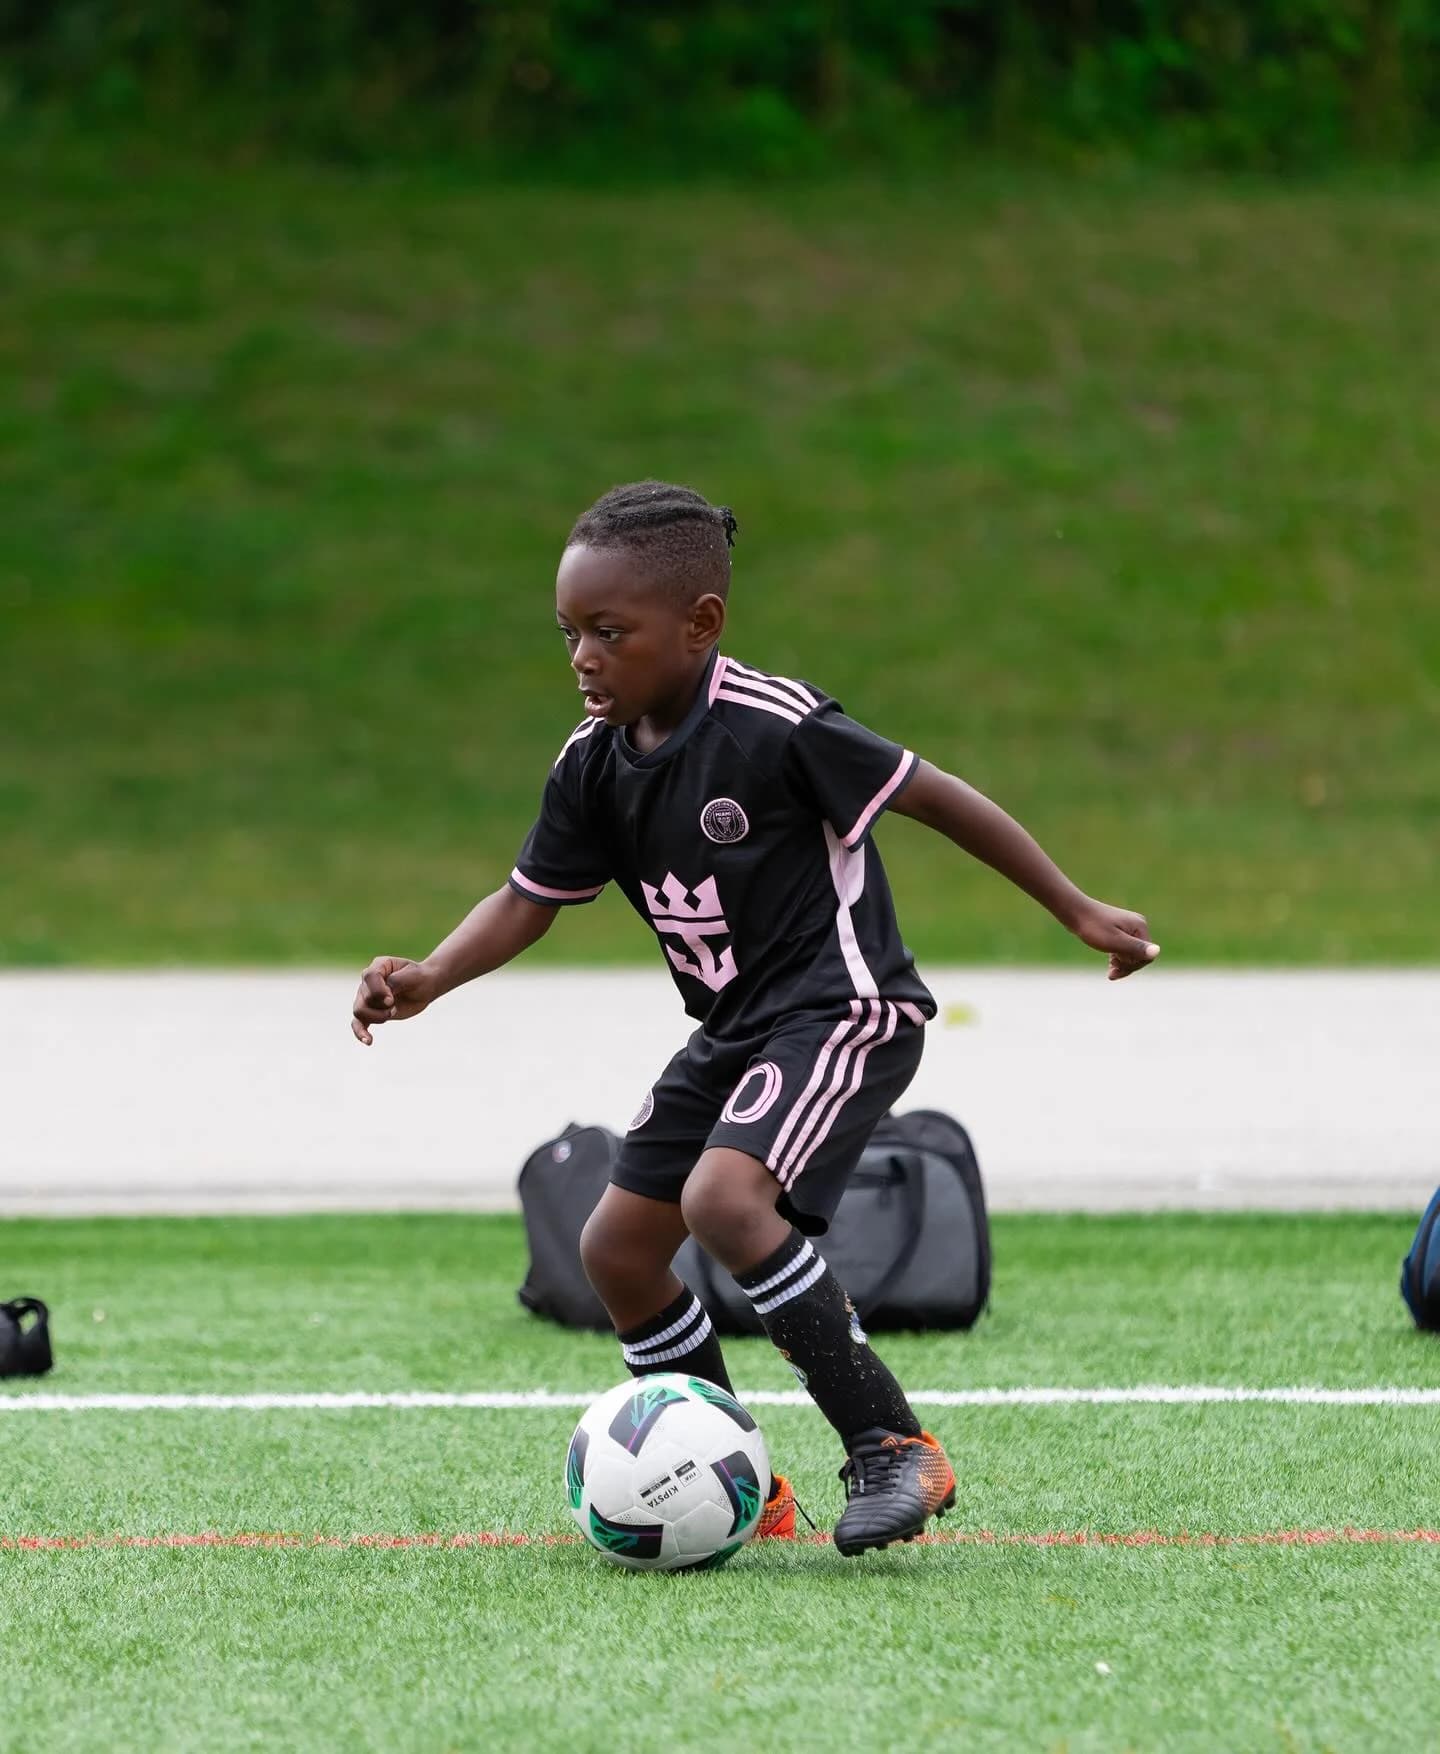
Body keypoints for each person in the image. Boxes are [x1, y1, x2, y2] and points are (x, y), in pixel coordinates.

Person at [351, 480, 1159, 1556]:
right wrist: (429, 976)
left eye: (609, 631)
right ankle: (746, 1486)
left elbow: (934, 793)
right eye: (569, 634)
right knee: (617, 1248)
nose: (583, 657)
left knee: (726, 1198)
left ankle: (891, 1444)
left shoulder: (774, 727)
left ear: (701, 624)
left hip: (843, 1007)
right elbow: (526, 900)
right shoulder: (591, 765)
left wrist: (1077, 905)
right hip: (735, 1029)